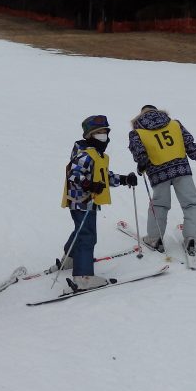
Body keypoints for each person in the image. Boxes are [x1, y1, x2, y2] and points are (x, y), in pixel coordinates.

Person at [61, 115, 137, 290]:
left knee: (81, 230)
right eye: (98, 132)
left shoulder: (98, 155)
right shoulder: (85, 155)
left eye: (104, 132)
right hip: (82, 200)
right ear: (89, 135)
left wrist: (125, 179)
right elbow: (73, 174)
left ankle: (70, 259)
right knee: (87, 236)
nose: (103, 135)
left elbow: (105, 177)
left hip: (87, 200)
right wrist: (88, 184)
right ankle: (83, 277)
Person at [128, 105, 196, 256]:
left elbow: (139, 152)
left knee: (159, 205)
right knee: (191, 203)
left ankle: (154, 238)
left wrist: (142, 164)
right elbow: (189, 143)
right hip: (181, 169)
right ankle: (191, 237)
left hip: (158, 173)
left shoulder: (137, 132)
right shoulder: (175, 124)